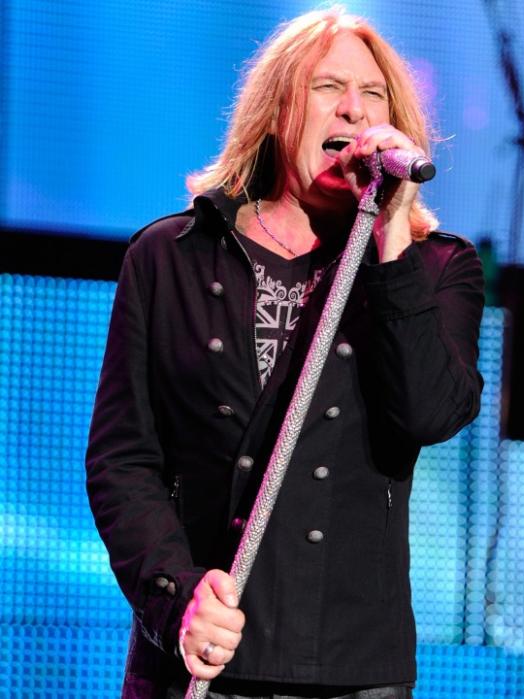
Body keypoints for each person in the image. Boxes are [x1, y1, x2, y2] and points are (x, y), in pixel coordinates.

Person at [85, 8, 484, 698]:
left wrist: (389, 234)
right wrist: (178, 597)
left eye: (375, 95)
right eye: (327, 87)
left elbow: (429, 414)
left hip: (349, 670)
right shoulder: (169, 257)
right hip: (201, 653)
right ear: (275, 111)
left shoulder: (435, 268)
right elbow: (123, 460)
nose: (355, 112)